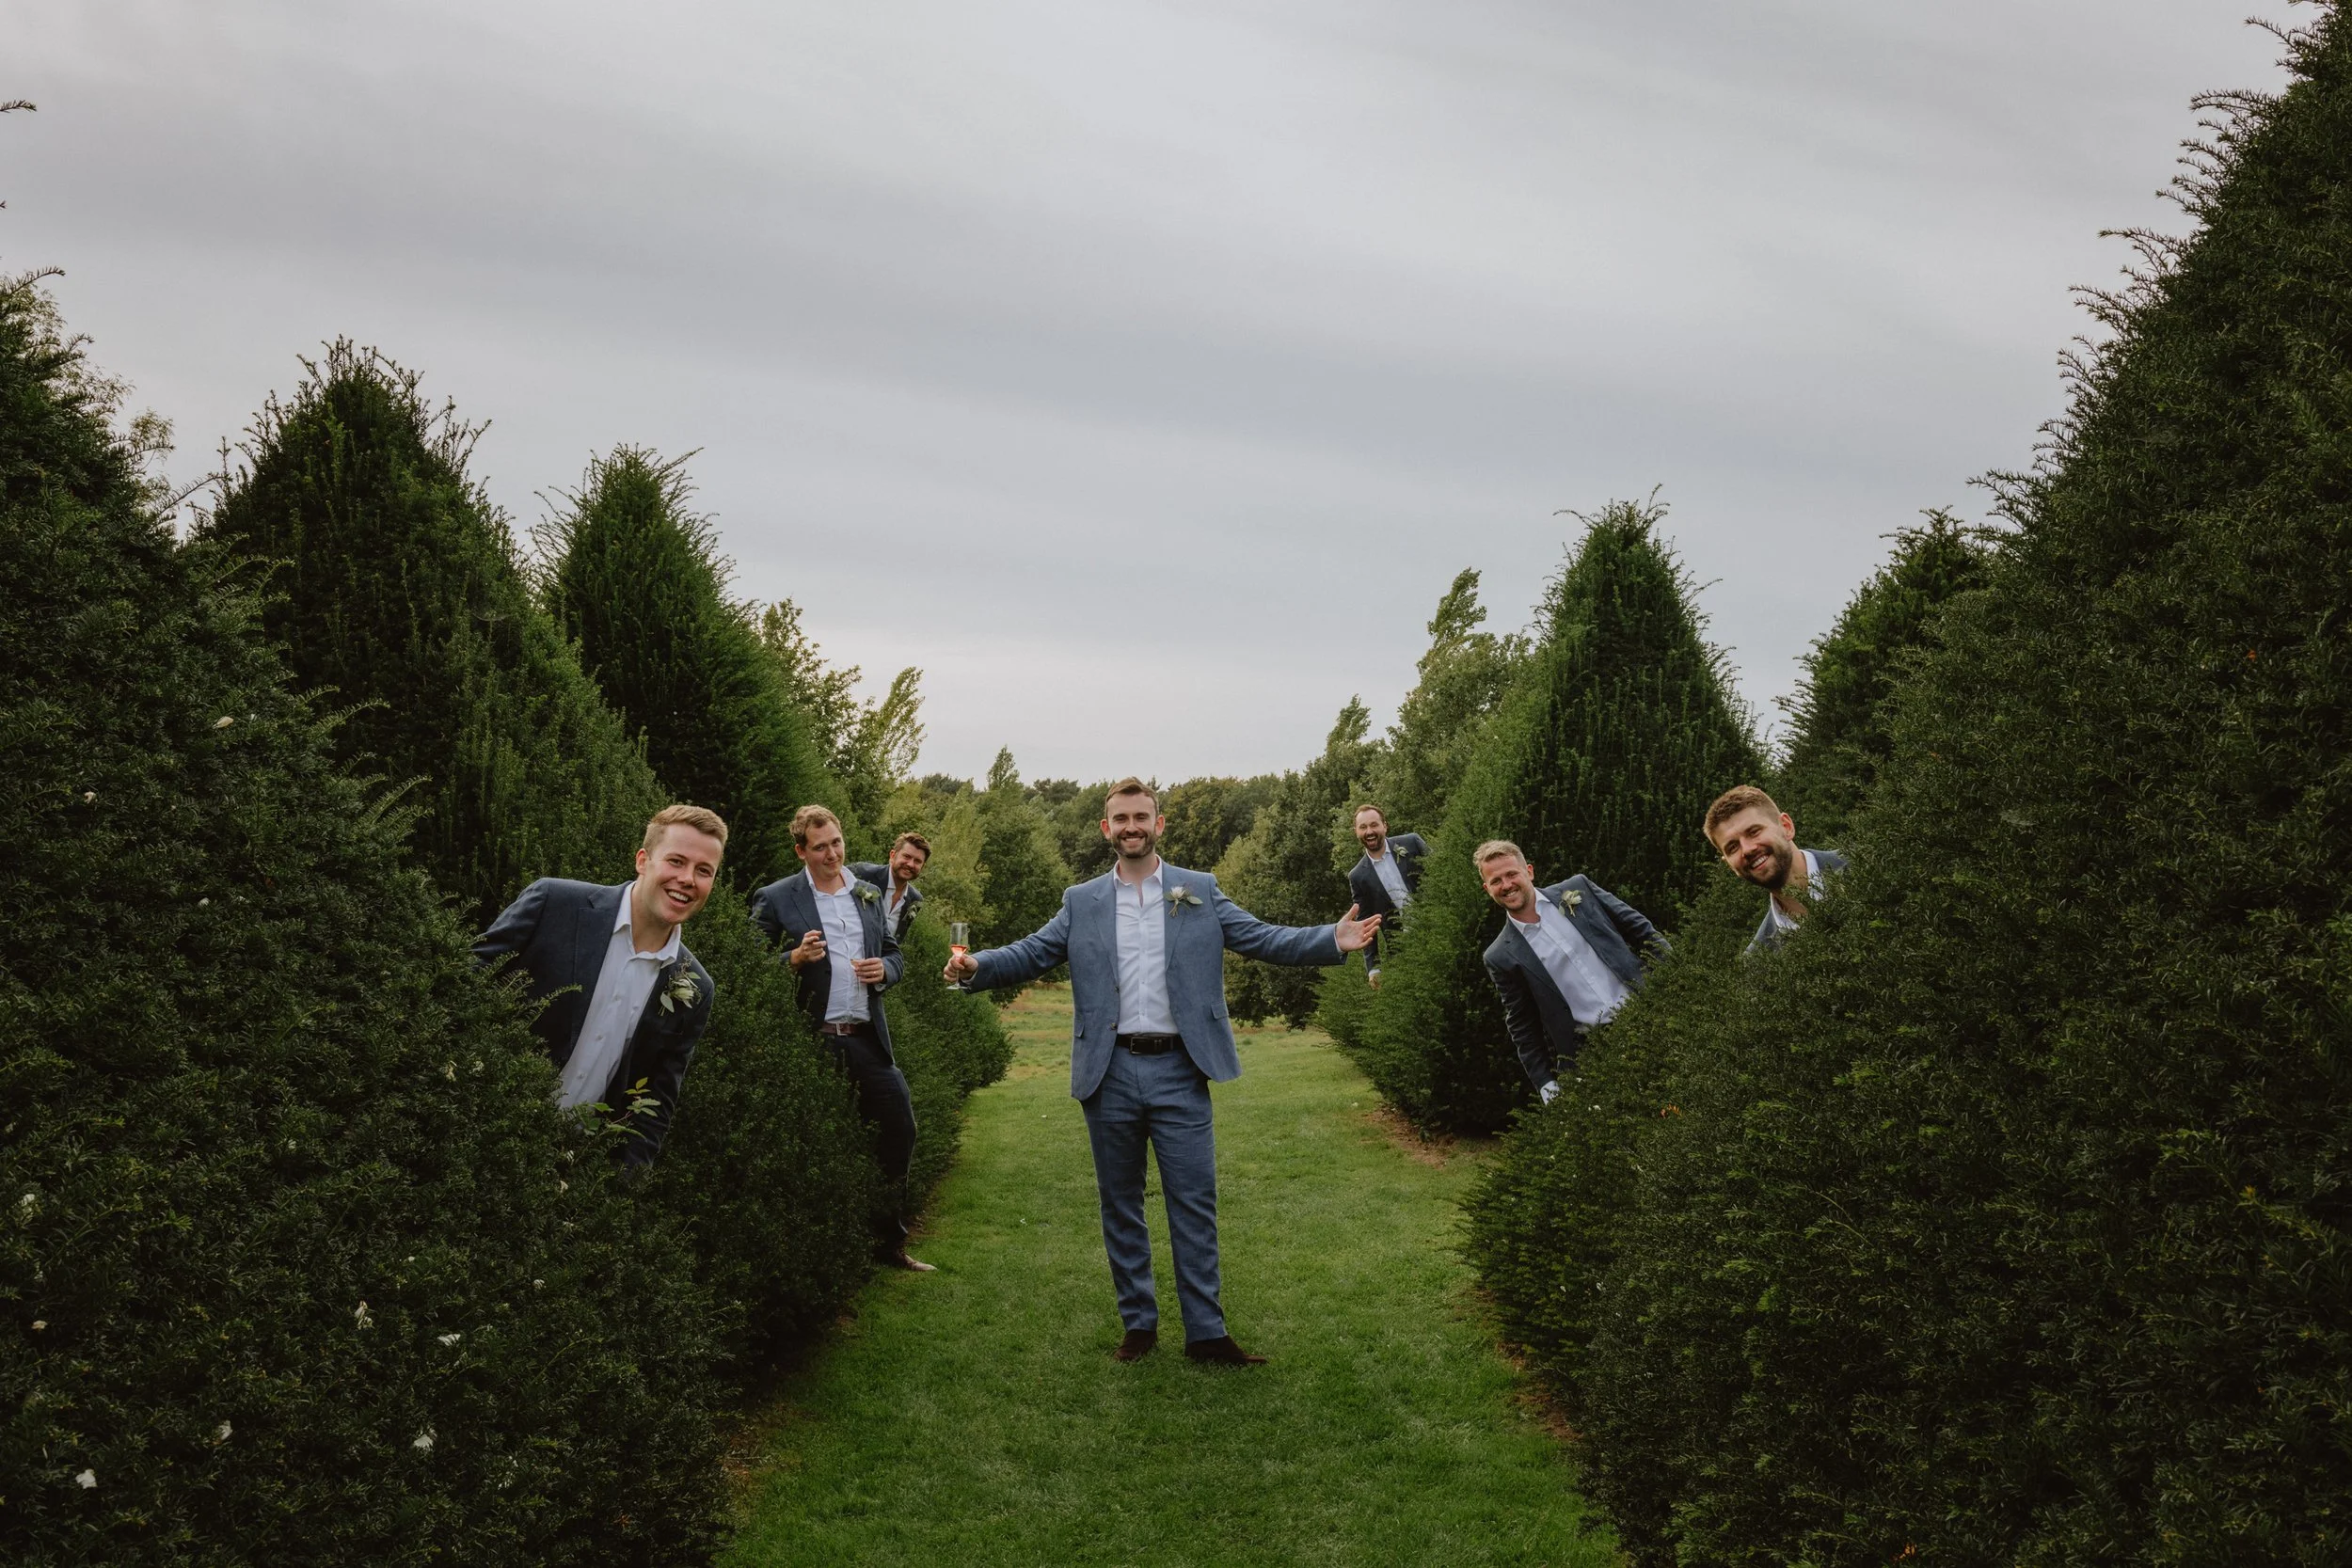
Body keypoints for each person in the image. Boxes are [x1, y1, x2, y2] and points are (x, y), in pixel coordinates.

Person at [944, 777, 1381, 1366]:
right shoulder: (1081, 900)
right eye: (1120, 818)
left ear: (1159, 823)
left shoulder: (1198, 890)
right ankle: (1139, 1324)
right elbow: (1032, 952)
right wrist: (976, 966)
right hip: (1109, 1072)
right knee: (1119, 1202)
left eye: (1141, 816)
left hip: (1181, 1069)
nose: (1131, 827)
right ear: (1106, 829)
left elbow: (1260, 937)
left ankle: (1206, 1333)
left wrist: (1332, 938)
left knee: (1193, 1202)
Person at [473, 804, 725, 1170]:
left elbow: (658, 1096)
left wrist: (624, 1185)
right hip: (473, 1119)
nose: (688, 879)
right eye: (676, 861)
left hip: (562, 1168)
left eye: (704, 871)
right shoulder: (553, 903)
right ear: (643, 860)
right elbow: (467, 979)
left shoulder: (695, 987)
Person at [751, 804, 930, 1272]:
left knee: (900, 1130)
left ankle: (886, 1243)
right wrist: (793, 959)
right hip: (811, 1042)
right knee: (804, 1145)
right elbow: (745, 967)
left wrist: (884, 971)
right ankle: (809, 1257)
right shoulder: (776, 897)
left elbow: (894, 954)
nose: (833, 853)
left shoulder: (868, 893)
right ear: (801, 851)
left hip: (867, 1040)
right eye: (820, 847)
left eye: (836, 842)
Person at [1476, 840, 1665, 1104]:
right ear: (1487, 889)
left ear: (1529, 871)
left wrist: (1675, 982)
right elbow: (1522, 1025)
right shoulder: (1500, 956)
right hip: (1593, 1053)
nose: (1506, 885)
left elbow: (1643, 932)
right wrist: (1546, 1084)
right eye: (1496, 881)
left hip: (1649, 1015)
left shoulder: (1578, 889)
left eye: (1511, 874)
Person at [1703, 784, 1848, 956]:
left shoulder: (1866, 865)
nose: (1747, 849)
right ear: (1729, 864)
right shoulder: (1759, 962)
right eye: (1733, 847)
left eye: (1754, 832)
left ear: (1786, 826)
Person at [1344, 803, 1425, 987]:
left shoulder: (1412, 843)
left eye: (1374, 825)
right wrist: (1373, 968)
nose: (1369, 831)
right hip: (1402, 950)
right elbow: (1366, 922)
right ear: (1356, 832)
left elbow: (1441, 873)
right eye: (1363, 827)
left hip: (1438, 927)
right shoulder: (1357, 876)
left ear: (1385, 826)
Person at [850, 831, 930, 944]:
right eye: (907, 856)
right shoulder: (863, 874)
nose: (911, 864)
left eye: (917, 861)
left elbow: (895, 942)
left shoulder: (915, 900)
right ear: (892, 855)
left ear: (922, 867)